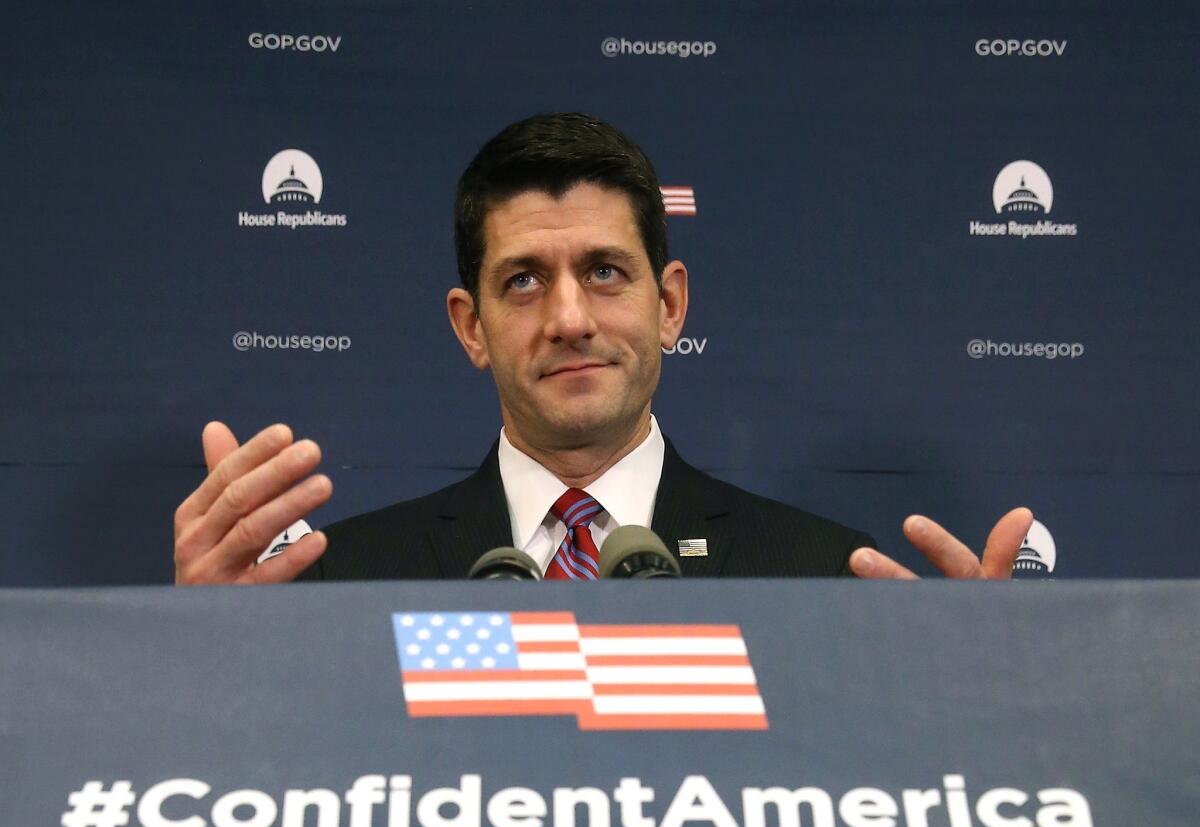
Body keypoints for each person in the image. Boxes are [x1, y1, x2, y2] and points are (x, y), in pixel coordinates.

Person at [173, 113, 1031, 585]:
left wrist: (953, 688)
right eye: (523, 282)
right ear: (470, 327)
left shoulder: (824, 579)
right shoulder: (341, 585)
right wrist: (210, 655)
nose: (570, 318)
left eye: (606, 272)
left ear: (670, 305)